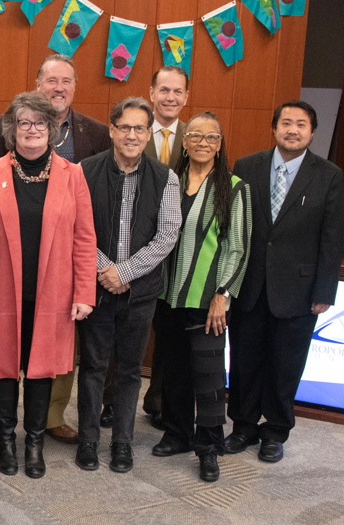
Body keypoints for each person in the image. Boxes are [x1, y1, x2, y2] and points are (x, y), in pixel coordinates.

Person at [0, 53, 111, 447]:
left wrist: (85, 289)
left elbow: (86, 235)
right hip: (4, 280)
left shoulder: (85, 152)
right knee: (3, 359)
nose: (58, 87)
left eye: (66, 80)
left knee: (46, 363)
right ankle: (0, 432)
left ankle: (41, 431)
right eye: (51, 80)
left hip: (56, 282)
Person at [225, 101, 344, 462]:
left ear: (311, 132)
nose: (293, 130)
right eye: (287, 123)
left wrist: (325, 290)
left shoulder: (328, 174)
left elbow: (332, 236)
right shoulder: (247, 166)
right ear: (274, 127)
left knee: (286, 363)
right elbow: (233, 226)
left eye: (301, 125)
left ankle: (276, 430)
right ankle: (243, 426)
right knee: (245, 360)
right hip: (249, 285)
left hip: (299, 289)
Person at [77, 97, 182, 474]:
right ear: (112, 130)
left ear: (149, 132)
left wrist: (126, 272)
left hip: (140, 294)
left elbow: (168, 234)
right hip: (96, 287)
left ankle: (122, 442)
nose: (132, 135)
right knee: (91, 367)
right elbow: (77, 228)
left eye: (140, 128)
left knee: (129, 370)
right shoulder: (84, 172)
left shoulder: (165, 177)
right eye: (125, 127)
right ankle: (88, 440)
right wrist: (106, 269)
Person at [151, 112, 252, 482]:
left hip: (206, 298)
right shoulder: (169, 182)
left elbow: (237, 248)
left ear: (220, 144)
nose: (202, 143)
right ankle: (177, 433)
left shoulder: (234, 187)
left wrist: (222, 295)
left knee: (208, 378)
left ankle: (209, 447)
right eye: (195, 135)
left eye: (211, 137)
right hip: (168, 295)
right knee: (174, 372)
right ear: (186, 141)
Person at [102, 65, 191, 431]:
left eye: (178, 92)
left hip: (175, 257)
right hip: (122, 256)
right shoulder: (132, 128)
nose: (170, 97)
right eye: (164, 90)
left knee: (166, 340)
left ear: (186, 97)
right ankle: (110, 402)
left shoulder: (195, 136)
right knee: (117, 337)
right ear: (152, 92)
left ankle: (157, 403)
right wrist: (118, 269)